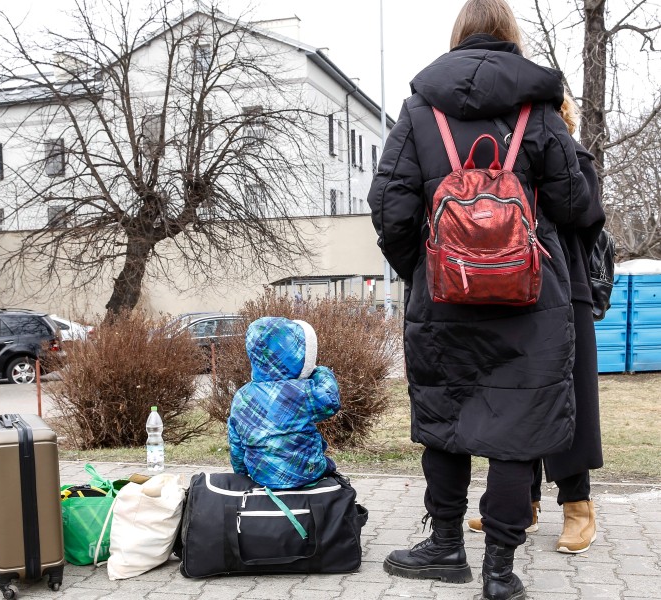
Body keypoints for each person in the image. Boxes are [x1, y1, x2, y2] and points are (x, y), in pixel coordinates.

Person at [367, 0, 601, 598]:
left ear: (458, 37)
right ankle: (500, 571)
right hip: (530, 303)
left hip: (444, 297)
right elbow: (577, 206)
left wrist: (422, 270)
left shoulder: (420, 108)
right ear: (510, 37)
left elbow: (390, 207)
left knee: (447, 418)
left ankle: (445, 546)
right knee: (517, 429)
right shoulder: (539, 108)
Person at [467, 96, 605, 555]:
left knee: (570, 399)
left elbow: (586, 216)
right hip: (515, 289)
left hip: (566, 289)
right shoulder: (506, 155)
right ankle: (520, 502)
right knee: (517, 395)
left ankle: (577, 505)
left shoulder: (575, 156)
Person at [228, 317, 340, 490]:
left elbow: (236, 441)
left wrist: (241, 474)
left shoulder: (242, 396)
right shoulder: (302, 391)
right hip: (306, 471)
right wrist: (319, 371)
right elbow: (330, 400)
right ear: (295, 354)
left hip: (260, 473)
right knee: (329, 466)